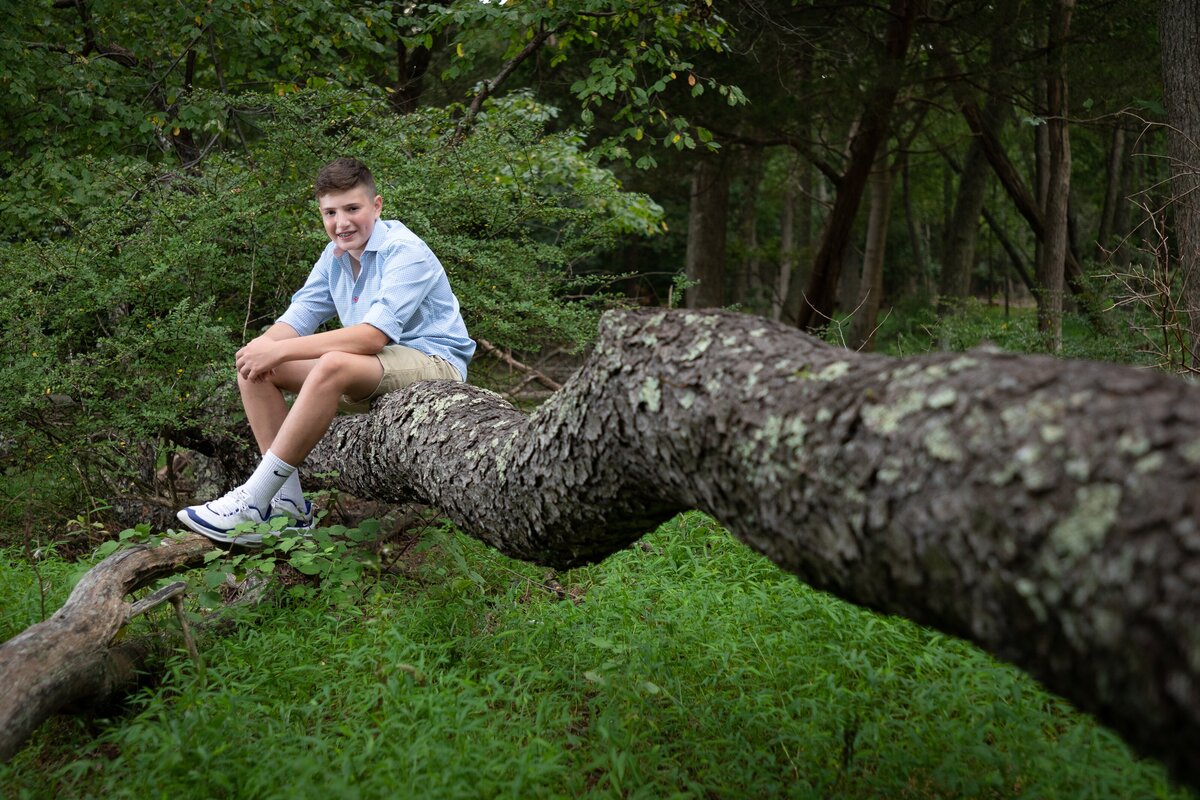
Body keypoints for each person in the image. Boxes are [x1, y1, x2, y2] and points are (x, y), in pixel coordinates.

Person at [177, 157, 475, 544]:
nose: (341, 223)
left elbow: (372, 337)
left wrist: (281, 351)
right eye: (330, 212)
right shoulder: (333, 256)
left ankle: (255, 496)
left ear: (377, 205)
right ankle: (287, 507)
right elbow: (299, 316)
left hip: (435, 364)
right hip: (371, 370)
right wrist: (264, 346)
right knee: (255, 367)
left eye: (352, 209)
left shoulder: (405, 250)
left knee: (330, 363)